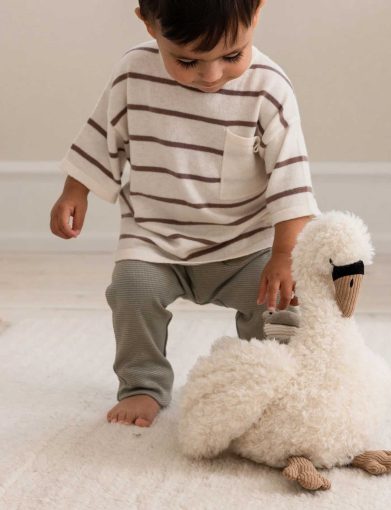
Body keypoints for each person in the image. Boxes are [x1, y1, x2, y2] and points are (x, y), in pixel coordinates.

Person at [49, 0, 321, 428]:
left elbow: (291, 179)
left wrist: (284, 254)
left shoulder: (268, 88)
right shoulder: (133, 73)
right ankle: (142, 384)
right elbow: (103, 136)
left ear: (256, 14)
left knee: (282, 304)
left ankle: (274, 380)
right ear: (149, 24)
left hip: (243, 244)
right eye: (188, 61)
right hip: (155, 239)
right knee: (131, 291)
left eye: (232, 55)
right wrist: (75, 190)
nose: (211, 75)